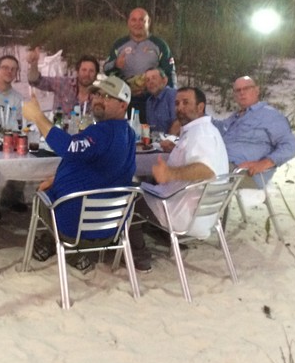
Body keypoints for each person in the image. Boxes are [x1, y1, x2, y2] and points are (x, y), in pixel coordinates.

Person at [22, 75, 137, 274]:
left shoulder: (102, 133)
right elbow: (100, 167)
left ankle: (67, 249)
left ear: (123, 106)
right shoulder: (129, 133)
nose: (99, 100)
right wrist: (57, 179)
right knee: (51, 187)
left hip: (77, 226)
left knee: (40, 197)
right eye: (97, 94)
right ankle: (61, 246)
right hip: (111, 227)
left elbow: (68, 147)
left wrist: (38, 117)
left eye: (107, 97)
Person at [130, 87, 229, 272]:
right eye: (177, 103)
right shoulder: (203, 130)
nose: (180, 108)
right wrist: (176, 148)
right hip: (205, 214)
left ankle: (139, 256)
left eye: (186, 103)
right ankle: (161, 235)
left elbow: (206, 169)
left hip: (184, 214)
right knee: (146, 185)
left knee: (128, 197)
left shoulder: (201, 134)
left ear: (200, 107)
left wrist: (170, 173)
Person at [212, 76, 295, 188]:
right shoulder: (236, 117)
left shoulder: (270, 115)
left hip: (245, 173)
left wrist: (263, 164)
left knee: (198, 171)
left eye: (246, 88)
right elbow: (219, 128)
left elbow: (290, 146)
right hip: (222, 165)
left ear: (257, 90)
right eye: (238, 90)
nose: (242, 93)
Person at [103, 7, 176, 122]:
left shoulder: (160, 45)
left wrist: (172, 100)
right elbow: (106, 70)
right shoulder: (119, 44)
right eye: (134, 20)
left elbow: (169, 73)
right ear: (128, 22)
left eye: (142, 20)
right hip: (124, 100)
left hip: (152, 100)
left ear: (148, 22)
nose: (138, 24)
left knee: (150, 130)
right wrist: (115, 64)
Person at [25, 48, 99, 115]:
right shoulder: (64, 84)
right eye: (84, 70)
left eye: (91, 71)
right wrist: (34, 65)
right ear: (77, 71)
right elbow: (36, 81)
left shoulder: (99, 96)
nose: (87, 74)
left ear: (96, 75)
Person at [144, 68, 179, 135]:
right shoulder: (149, 102)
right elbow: (151, 128)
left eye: (154, 78)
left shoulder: (172, 95)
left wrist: (168, 139)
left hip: (174, 140)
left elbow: (178, 122)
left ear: (164, 80)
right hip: (157, 140)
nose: (151, 82)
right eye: (147, 80)